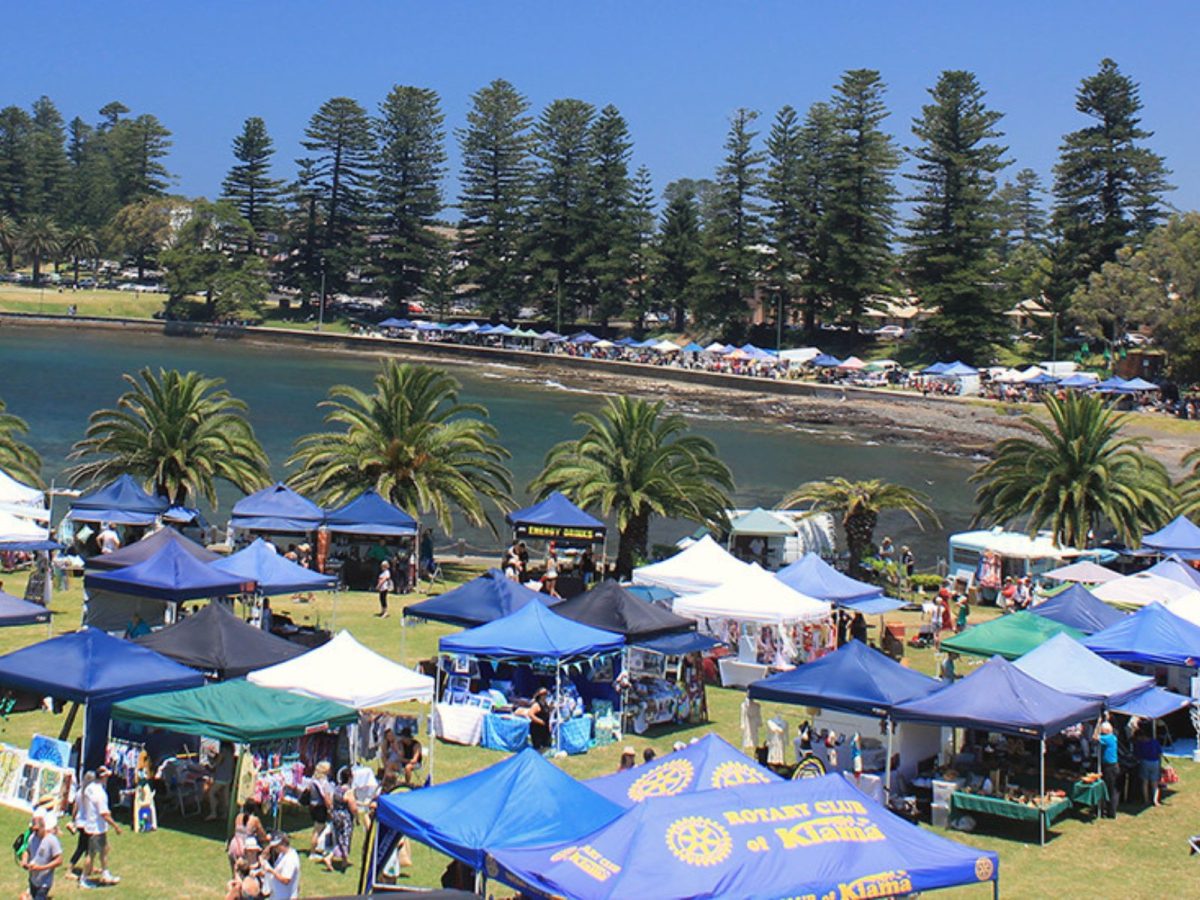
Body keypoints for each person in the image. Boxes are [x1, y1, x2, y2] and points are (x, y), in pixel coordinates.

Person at [81, 766, 121, 888]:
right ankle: (83, 879)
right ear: (103, 777)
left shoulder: (90, 788)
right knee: (91, 855)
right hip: (97, 828)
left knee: (104, 850)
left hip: (91, 825)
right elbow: (104, 813)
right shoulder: (100, 794)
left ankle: (105, 873)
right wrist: (115, 826)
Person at [21, 809, 62, 900]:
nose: (35, 832)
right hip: (33, 879)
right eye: (34, 830)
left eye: (37, 830)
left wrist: (42, 868)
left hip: (44, 882)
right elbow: (27, 851)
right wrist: (24, 861)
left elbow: (59, 860)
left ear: (43, 827)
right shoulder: (32, 838)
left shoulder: (52, 840)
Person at [64, 770, 93, 880]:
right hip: (87, 823)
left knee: (85, 847)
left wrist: (73, 820)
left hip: (80, 822)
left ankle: (88, 868)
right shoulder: (90, 793)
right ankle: (71, 869)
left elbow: (75, 808)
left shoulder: (79, 792)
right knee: (84, 848)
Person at [227, 799, 268, 874]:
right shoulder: (255, 820)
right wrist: (268, 837)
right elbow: (262, 836)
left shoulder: (238, 816)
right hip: (245, 848)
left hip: (234, 846)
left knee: (235, 873)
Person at [1094, 718, 1120, 819]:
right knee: (1112, 789)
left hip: (1110, 767)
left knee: (1111, 789)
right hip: (1113, 766)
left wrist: (1098, 724)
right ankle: (1109, 810)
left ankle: (1111, 812)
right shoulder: (1113, 737)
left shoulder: (1107, 738)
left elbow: (1094, 737)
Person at [262, 832, 300, 900]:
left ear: (283, 844)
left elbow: (286, 880)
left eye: (276, 846)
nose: (275, 849)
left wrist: (271, 871)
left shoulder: (291, 858)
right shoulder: (282, 855)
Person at [306, 760, 332, 856]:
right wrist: (330, 808)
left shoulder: (313, 780)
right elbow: (327, 797)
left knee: (319, 828)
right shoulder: (324, 783)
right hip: (320, 807)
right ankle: (312, 851)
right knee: (317, 830)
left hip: (312, 806)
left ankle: (318, 847)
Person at [1134, 726, 1163, 807]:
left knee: (1145, 782)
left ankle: (1146, 800)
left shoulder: (1140, 744)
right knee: (1155, 782)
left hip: (1145, 762)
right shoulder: (1155, 742)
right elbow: (1160, 753)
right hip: (1155, 762)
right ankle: (1155, 800)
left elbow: (1137, 755)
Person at [206, 741, 236, 821]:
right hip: (228, 775)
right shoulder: (231, 750)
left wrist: (212, 765)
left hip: (221, 776)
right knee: (225, 796)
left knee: (211, 793)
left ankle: (213, 813)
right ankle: (226, 814)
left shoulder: (224, 749)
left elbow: (219, 761)